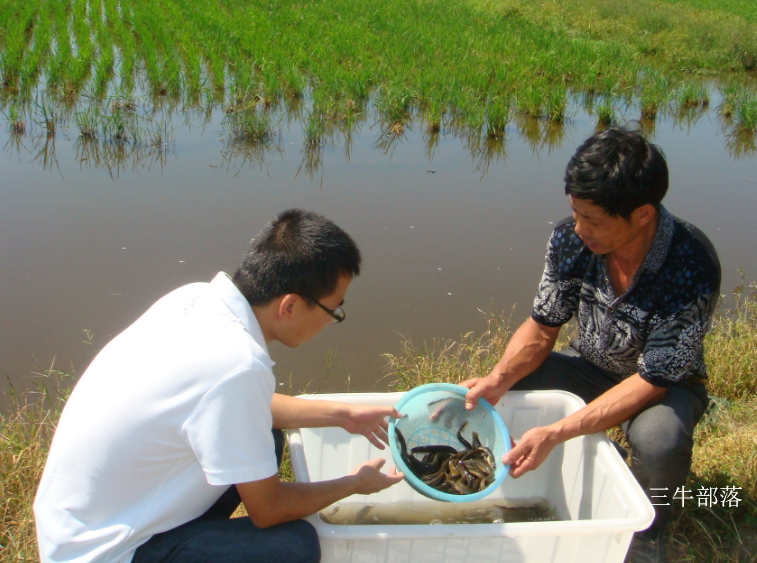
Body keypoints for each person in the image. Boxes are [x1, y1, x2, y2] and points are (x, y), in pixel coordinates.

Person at [34, 209, 404, 563]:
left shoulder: (194, 300)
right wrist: (354, 483)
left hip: (73, 525)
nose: (332, 322)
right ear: (290, 306)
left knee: (266, 437)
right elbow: (269, 510)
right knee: (296, 546)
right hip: (104, 553)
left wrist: (344, 415)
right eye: (333, 311)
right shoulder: (237, 364)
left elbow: (244, 405)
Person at [462, 126, 720, 563]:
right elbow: (543, 327)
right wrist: (498, 378)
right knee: (515, 386)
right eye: (576, 215)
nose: (579, 229)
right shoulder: (571, 239)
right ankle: (597, 464)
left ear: (641, 214)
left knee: (659, 439)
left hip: (663, 387)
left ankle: (648, 530)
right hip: (590, 367)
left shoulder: (690, 261)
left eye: (594, 221)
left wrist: (557, 430)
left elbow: (653, 380)